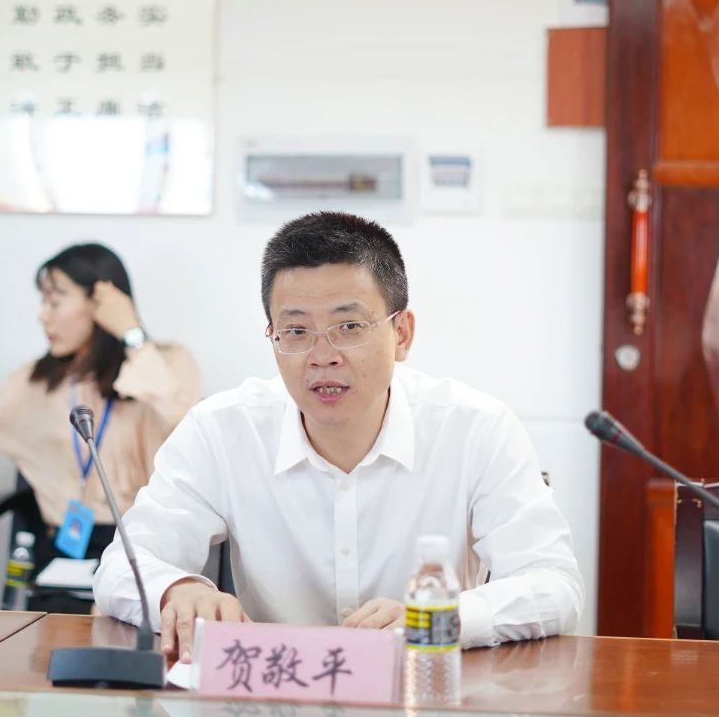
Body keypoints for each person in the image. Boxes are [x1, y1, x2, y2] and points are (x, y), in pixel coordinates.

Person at [94, 211, 583, 661]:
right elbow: (122, 566)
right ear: (273, 336)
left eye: (349, 326)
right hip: (275, 700)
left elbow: (553, 583)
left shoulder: (476, 429)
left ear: (402, 334)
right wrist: (175, 590)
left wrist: (434, 619)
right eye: (296, 331)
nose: (322, 355)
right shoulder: (221, 431)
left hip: (424, 697)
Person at [0, 244, 200, 609]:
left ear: (101, 302)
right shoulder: (35, 383)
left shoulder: (165, 362)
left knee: (136, 625)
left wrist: (132, 334)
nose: (43, 316)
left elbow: (191, 434)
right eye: (43, 302)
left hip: (145, 549)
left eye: (54, 301)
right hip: (63, 554)